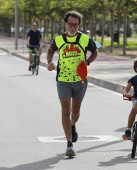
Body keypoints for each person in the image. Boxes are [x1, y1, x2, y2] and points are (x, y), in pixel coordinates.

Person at [47, 11, 98, 157]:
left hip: (80, 81)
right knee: (65, 110)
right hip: (63, 80)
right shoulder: (59, 40)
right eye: (70, 24)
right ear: (65, 24)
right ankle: (69, 144)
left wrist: (87, 62)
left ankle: (73, 125)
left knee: (75, 112)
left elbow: (95, 52)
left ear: (79, 25)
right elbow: (50, 51)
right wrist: (50, 62)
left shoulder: (85, 39)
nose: (72, 27)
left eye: (75, 24)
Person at [122, 56, 137, 140]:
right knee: (135, 108)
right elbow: (126, 90)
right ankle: (128, 130)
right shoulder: (133, 79)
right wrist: (126, 94)